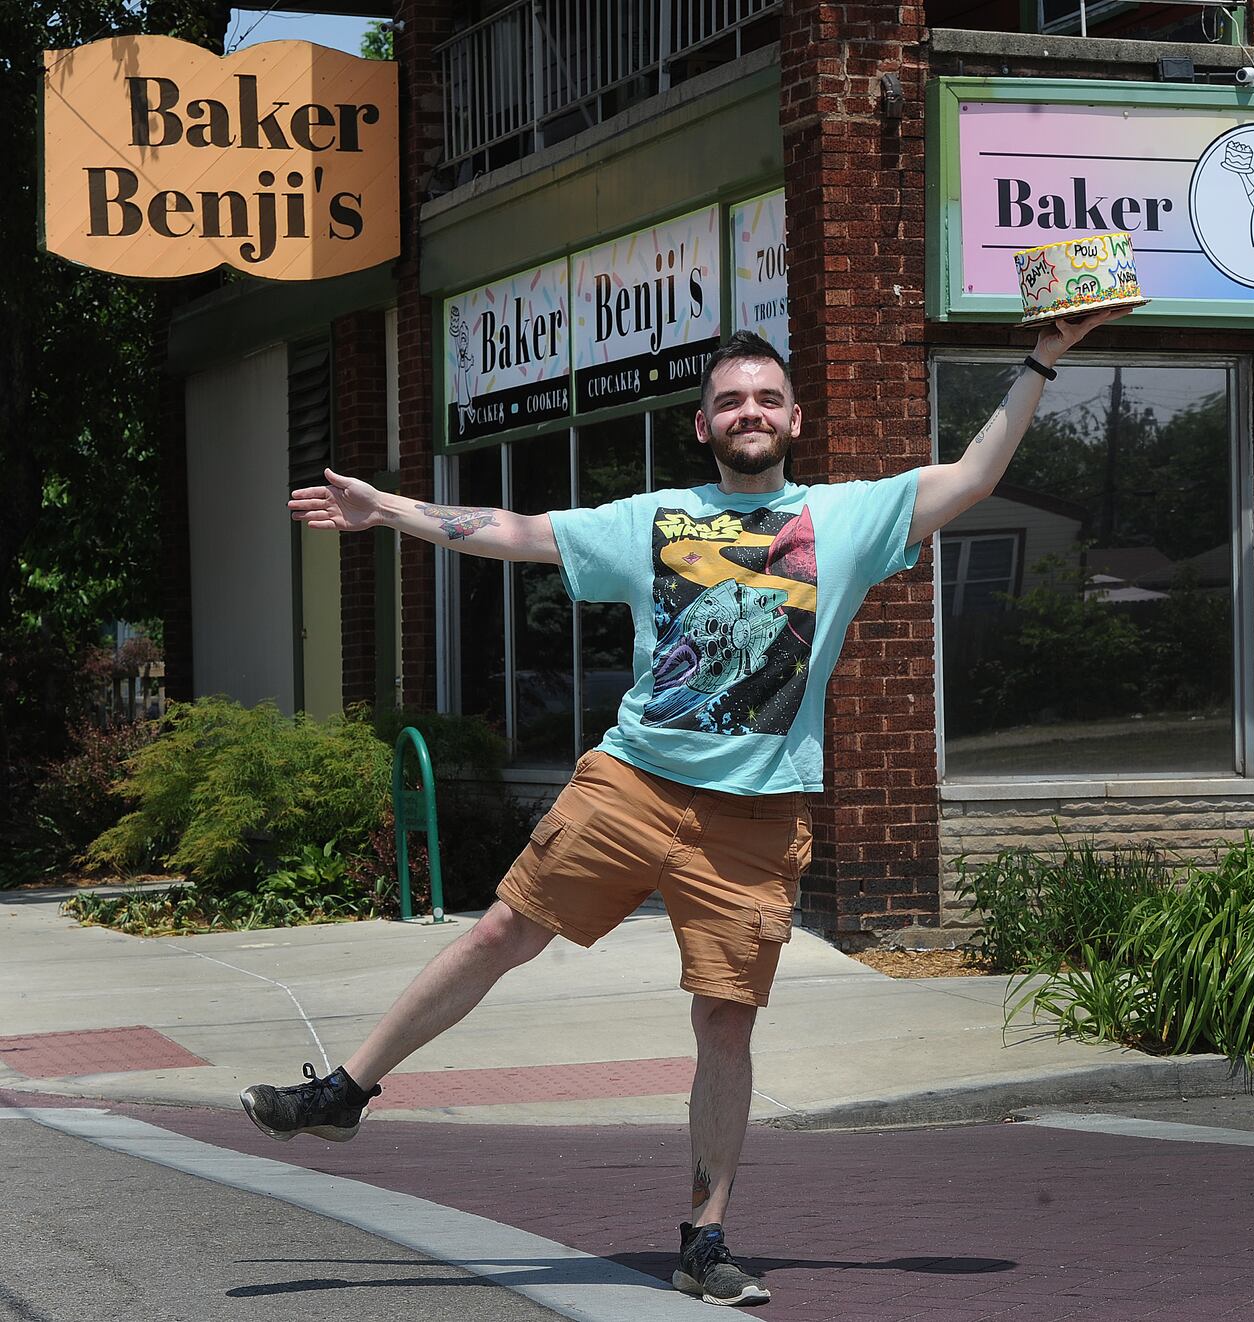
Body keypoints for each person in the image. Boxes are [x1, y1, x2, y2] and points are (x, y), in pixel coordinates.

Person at [241, 308, 1126, 1307]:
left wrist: (1041, 360)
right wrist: (388, 509)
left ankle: (703, 1237)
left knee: (724, 1023)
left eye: (763, 398)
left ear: (795, 417)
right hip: (632, 779)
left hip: (756, 813)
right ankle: (344, 1090)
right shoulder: (652, 518)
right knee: (501, 927)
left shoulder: (845, 517)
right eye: (726, 401)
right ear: (703, 426)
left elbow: (971, 478)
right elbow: (516, 532)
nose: (746, 411)